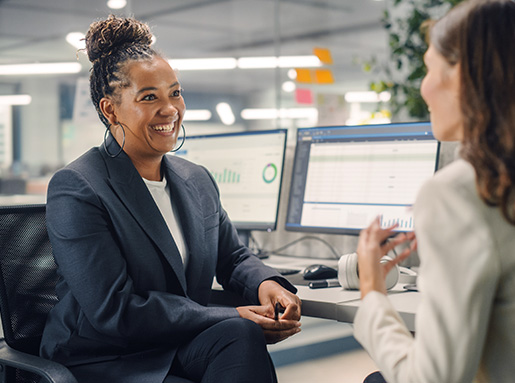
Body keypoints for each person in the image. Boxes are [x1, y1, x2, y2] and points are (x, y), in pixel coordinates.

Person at [40, 15, 301, 383]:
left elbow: (233, 256)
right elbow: (114, 310)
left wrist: (266, 284)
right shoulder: (78, 186)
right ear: (109, 109)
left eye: (175, 93)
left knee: (239, 337)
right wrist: (232, 314)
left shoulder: (195, 178)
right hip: (104, 357)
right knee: (238, 331)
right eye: (149, 97)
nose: (170, 110)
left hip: (172, 343)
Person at [353, 0, 515, 382]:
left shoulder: (459, 192)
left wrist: (371, 291)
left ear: (461, 76)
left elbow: (433, 378)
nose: (423, 88)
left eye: (428, 68)